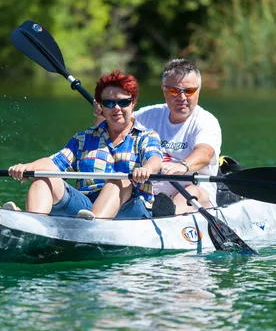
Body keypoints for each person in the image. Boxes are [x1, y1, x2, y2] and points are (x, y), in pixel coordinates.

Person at [5, 70, 163, 220]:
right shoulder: (83, 138)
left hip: (131, 210)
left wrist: (146, 169)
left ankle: (91, 228)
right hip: (86, 210)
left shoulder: (146, 136)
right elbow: (55, 163)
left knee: (118, 180)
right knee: (43, 175)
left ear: (133, 103)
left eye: (123, 102)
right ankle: (32, 225)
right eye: (109, 103)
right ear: (100, 106)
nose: (116, 108)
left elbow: (154, 160)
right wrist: (27, 167)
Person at [94, 59, 221, 214]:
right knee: (120, 181)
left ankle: (169, 213)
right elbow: (114, 127)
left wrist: (182, 166)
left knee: (194, 191)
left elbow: (205, 153)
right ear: (164, 90)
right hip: (146, 193)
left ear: (198, 90)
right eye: (174, 91)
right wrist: (104, 114)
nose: (182, 97)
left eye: (189, 91)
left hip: (193, 193)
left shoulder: (206, 121)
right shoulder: (148, 115)